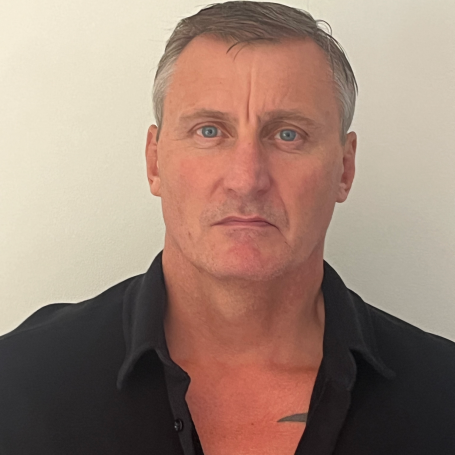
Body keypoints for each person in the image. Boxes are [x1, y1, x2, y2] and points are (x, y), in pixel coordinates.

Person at [0, 1, 454, 454]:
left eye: (288, 134)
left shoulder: (442, 398)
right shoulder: (19, 383)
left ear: (345, 169)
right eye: (209, 131)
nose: (246, 179)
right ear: (155, 162)